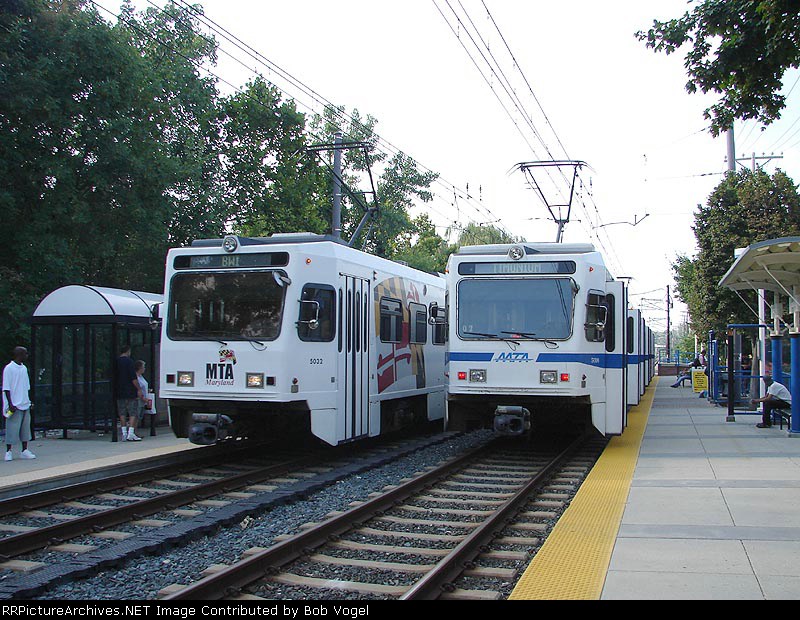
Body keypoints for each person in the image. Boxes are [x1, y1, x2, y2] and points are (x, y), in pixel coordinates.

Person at [2, 346, 35, 461]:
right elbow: (6, 388)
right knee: (12, 427)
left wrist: (29, 401)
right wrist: (10, 403)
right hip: (14, 404)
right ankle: (8, 451)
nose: (26, 356)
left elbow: (26, 387)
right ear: (19, 355)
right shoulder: (9, 368)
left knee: (25, 428)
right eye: (25, 354)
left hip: (25, 402)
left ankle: (24, 450)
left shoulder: (24, 368)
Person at [115, 345, 143, 441]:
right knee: (132, 412)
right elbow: (133, 378)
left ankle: (124, 433)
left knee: (122, 412)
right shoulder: (129, 361)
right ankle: (131, 433)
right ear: (128, 351)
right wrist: (139, 389)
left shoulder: (116, 361)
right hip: (130, 391)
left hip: (119, 390)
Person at [134, 360, 150, 434]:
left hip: (144, 399)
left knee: (139, 416)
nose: (144, 369)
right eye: (143, 367)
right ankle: (134, 431)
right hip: (139, 399)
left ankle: (135, 431)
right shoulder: (136, 377)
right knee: (136, 416)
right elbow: (138, 388)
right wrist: (143, 397)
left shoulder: (141, 377)